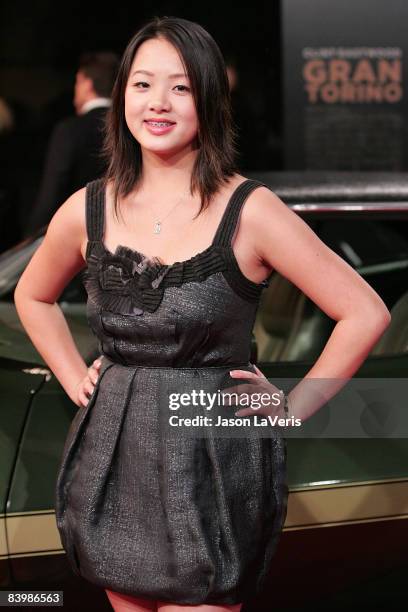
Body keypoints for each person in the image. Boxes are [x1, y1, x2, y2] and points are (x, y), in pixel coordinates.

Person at [14, 16, 391, 612]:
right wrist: (72, 373)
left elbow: (364, 311)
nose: (157, 103)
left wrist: (291, 408)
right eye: (141, 84)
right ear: (121, 98)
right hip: (116, 449)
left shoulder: (251, 211)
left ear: (210, 100)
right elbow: (30, 295)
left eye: (181, 87)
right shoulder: (87, 207)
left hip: (214, 457)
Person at [24, 51, 120, 236]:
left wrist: (31, 237)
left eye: (77, 82)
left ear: (86, 84)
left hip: (76, 235)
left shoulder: (70, 130)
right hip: (121, 232)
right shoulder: (128, 128)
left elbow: (52, 191)